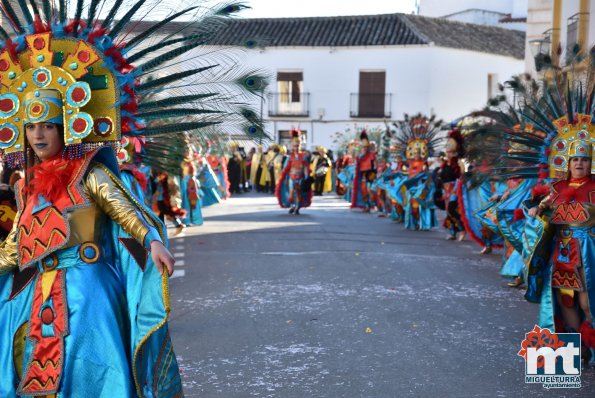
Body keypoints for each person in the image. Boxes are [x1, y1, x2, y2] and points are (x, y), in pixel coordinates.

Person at [0, 92, 181, 396]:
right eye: (31, 126)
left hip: (89, 290)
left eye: (48, 126)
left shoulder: (90, 174)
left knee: (91, 373)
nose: (37, 135)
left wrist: (152, 241)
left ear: (66, 128)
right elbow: (14, 248)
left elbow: (124, 210)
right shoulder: (24, 188)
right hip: (38, 294)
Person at [275, 129, 311, 214]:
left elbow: (306, 167)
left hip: (300, 177)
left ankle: (297, 207)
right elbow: (286, 168)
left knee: (298, 192)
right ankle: (292, 206)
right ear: (292, 146)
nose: (296, 147)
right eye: (294, 146)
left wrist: (306, 177)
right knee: (291, 192)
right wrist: (285, 177)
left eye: (297, 146)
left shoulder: (303, 156)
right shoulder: (289, 156)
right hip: (291, 176)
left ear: (299, 146)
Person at [351, 131, 377, 211]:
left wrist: (376, 173)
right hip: (363, 174)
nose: (365, 149)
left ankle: (374, 205)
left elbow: (375, 164)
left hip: (370, 174)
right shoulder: (359, 156)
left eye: (366, 147)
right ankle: (366, 206)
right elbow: (356, 163)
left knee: (369, 190)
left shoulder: (372, 154)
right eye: (364, 147)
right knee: (363, 190)